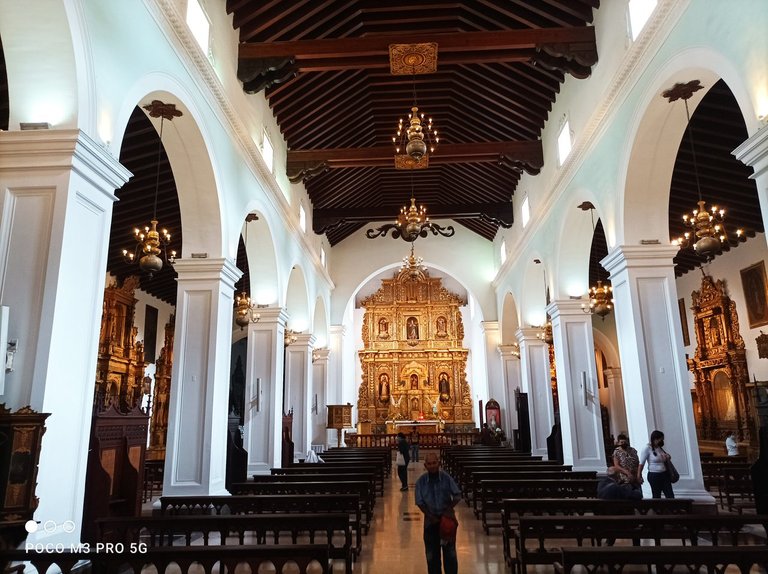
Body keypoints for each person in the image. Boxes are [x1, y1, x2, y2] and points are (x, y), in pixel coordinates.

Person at [415, 452, 462, 574]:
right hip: (430, 524)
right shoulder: (421, 481)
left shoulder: (446, 478)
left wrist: (448, 510)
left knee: (450, 556)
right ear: (425, 466)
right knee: (432, 557)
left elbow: (457, 494)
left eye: (434, 463)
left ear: (439, 463)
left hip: (446, 523)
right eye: (429, 464)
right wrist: (430, 516)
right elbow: (419, 502)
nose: (432, 466)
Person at [637, 429, 674, 498]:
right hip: (654, 475)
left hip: (664, 474)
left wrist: (667, 456)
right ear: (655, 439)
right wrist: (639, 475)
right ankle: (657, 509)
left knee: (670, 494)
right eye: (661, 439)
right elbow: (641, 463)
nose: (662, 441)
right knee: (657, 495)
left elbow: (665, 458)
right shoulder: (647, 448)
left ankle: (672, 508)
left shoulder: (659, 448)